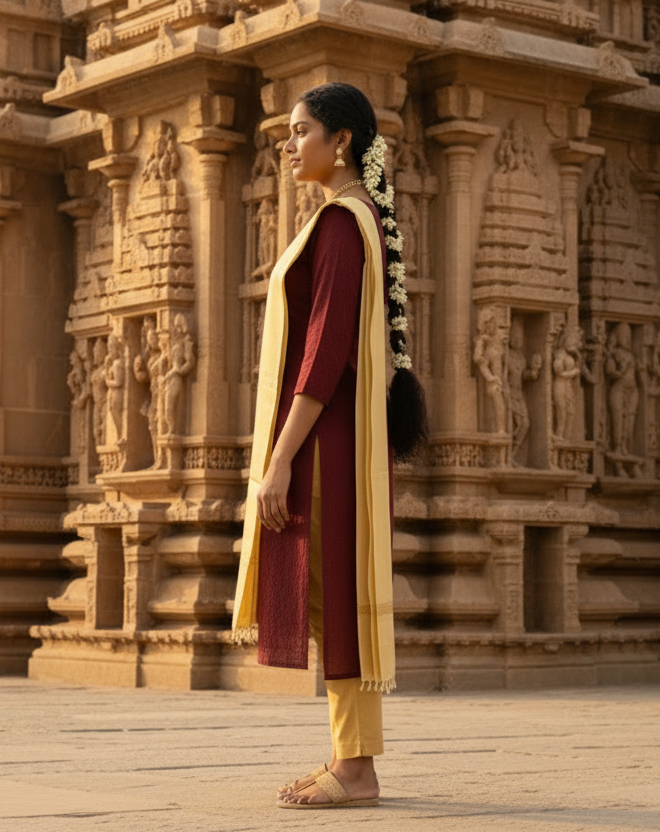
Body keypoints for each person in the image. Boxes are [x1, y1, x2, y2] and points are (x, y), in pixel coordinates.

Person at [231, 82, 428, 809]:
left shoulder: (344, 224)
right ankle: (350, 756)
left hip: (326, 441)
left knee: (334, 587)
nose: (287, 144)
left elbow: (324, 353)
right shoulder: (346, 220)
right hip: (331, 436)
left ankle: (356, 768)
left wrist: (280, 461)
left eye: (300, 130)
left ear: (340, 140)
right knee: (328, 589)